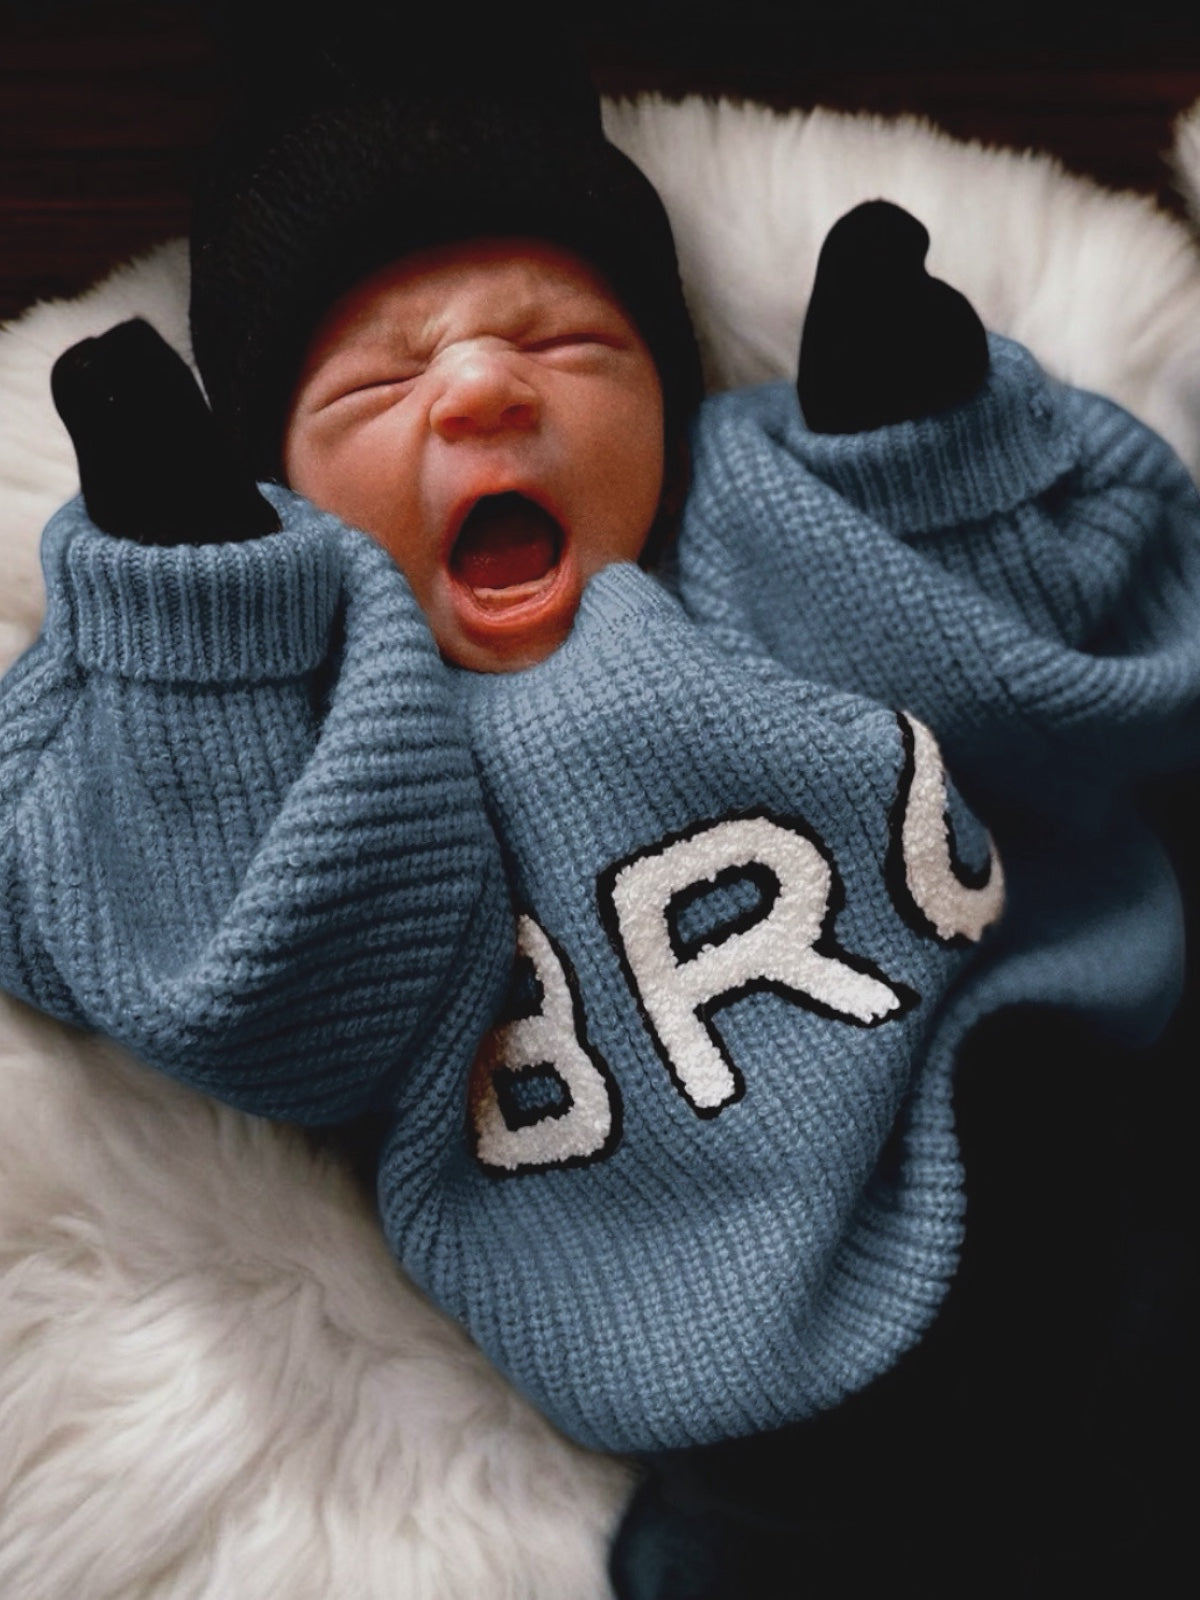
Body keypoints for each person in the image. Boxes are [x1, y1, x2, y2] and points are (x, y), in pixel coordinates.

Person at [2, 10, 1198, 1592]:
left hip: (1080, 1134)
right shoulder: (336, 731)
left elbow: (1058, 678)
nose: (486, 388)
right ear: (279, 484)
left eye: (571, 346)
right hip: (748, 1407)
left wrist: (922, 443)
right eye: (382, 383)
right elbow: (220, 976)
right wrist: (201, 618)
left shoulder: (762, 525)